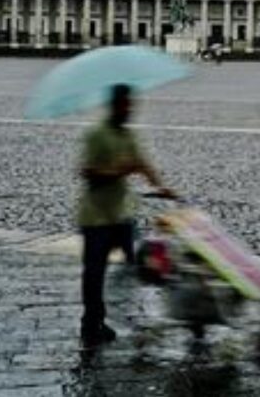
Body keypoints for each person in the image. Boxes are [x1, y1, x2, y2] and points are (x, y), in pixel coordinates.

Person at [78, 84, 174, 346]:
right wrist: (117, 172)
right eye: (125, 105)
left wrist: (161, 187)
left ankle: (141, 317)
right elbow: (87, 172)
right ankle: (92, 321)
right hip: (96, 216)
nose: (130, 109)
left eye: (131, 105)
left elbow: (141, 163)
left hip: (121, 213)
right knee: (95, 272)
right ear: (115, 106)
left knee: (141, 263)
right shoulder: (96, 134)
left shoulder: (128, 136)